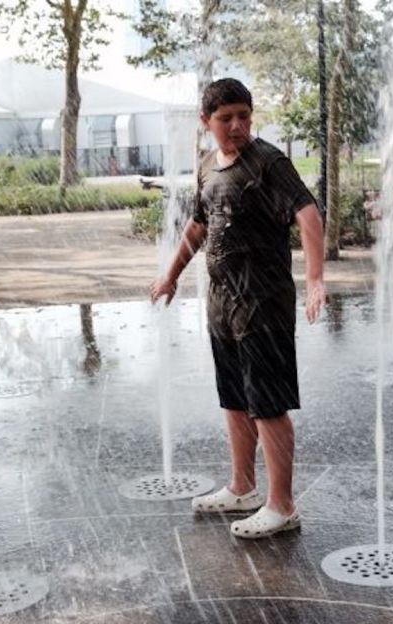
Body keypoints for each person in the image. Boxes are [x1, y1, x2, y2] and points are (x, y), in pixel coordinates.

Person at [149, 78, 326, 539]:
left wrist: (314, 279)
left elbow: (307, 214)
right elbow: (198, 224)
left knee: (268, 404)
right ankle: (243, 487)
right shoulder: (208, 164)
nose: (237, 126)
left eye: (244, 115)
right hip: (223, 303)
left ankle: (282, 505)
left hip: (263, 301)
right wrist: (171, 274)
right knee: (234, 397)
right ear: (205, 121)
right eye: (226, 117)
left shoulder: (269, 162)